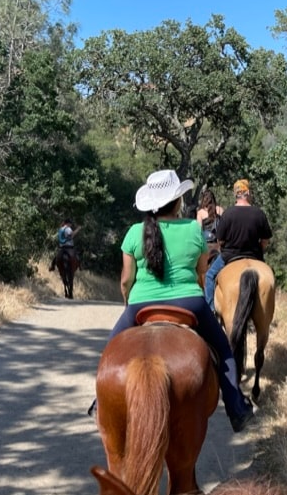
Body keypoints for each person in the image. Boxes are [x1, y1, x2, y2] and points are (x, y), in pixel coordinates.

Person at [90, 170, 255, 432]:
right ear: (178, 201)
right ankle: (236, 408)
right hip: (190, 303)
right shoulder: (192, 229)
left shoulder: (135, 232)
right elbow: (202, 272)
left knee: (110, 352)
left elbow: (125, 280)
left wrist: (129, 303)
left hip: (141, 304)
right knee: (223, 351)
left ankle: (100, 403)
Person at [205, 178, 272, 309]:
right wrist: (258, 250)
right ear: (248, 193)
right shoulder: (259, 213)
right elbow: (265, 241)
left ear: (236, 194)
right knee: (269, 276)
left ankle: (211, 310)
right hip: (255, 256)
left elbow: (220, 241)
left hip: (229, 256)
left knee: (209, 276)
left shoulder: (228, 214)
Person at [52, 219, 80, 298]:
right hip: (69, 247)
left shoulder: (60, 229)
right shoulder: (68, 229)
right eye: (70, 224)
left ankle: (52, 266)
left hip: (62, 248)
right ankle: (80, 265)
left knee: (56, 257)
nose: (71, 225)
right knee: (77, 257)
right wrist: (77, 229)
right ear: (68, 223)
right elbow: (71, 236)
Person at [196, 189, 224, 265]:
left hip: (206, 243)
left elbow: (199, 231)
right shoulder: (220, 210)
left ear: (204, 200)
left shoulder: (200, 212)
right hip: (219, 243)